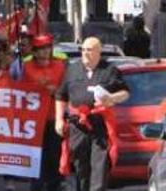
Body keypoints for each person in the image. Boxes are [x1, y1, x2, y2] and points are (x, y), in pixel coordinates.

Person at [55, 37, 130, 191]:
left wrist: (111, 98)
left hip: (99, 124)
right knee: (80, 165)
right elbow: (60, 96)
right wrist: (59, 120)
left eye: (89, 50)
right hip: (78, 125)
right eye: (83, 50)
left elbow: (125, 93)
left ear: (98, 51)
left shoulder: (109, 71)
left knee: (99, 166)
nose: (85, 53)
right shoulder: (72, 70)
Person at [23, 34, 66, 191]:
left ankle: (55, 182)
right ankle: (37, 182)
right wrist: (37, 88)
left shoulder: (60, 66)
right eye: (40, 49)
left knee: (54, 152)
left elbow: (65, 88)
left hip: (54, 116)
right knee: (37, 153)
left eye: (47, 47)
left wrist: (55, 91)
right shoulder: (26, 67)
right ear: (34, 51)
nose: (44, 51)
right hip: (34, 119)